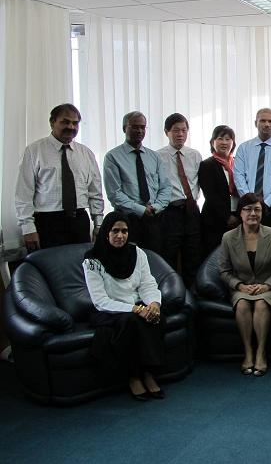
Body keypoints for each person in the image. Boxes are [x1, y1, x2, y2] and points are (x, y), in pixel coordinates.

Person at [82, 211, 166, 401]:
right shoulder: (92, 260)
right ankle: (134, 376)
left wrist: (153, 304)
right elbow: (100, 300)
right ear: (106, 232)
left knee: (156, 318)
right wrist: (136, 309)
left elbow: (147, 284)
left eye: (124, 231)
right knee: (131, 322)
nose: (120, 236)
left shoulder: (138, 253)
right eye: (115, 231)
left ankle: (148, 373)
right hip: (109, 310)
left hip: (137, 305)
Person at [15, 103, 104, 252]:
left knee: (80, 263)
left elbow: (95, 192)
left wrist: (99, 223)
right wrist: (28, 228)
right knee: (50, 264)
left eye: (75, 123)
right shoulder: (34, 151)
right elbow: (23, 193)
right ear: (52, 122)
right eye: (65, 122)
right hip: (48, 222)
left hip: (79, 220)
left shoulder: (86, 153)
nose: (71, 127)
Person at [218, 192, 271, 376]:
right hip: (242, 288)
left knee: (261, 303)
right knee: (242, 304)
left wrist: (268, 285)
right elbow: (224, 271)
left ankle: (261, 352)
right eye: (248, 209)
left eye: (257, 209)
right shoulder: (228, 238)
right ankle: (248, 351)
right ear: (240, 213)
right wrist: (239, 285)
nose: (253, 214)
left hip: (268, 287)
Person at [104, 111, 170, 253]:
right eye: (135, 127)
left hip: (154, 218)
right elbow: (114, 193)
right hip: (129, 219)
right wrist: (141, 210)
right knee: (130, 259)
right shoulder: (113, 157)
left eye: (142, 127)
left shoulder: (154, 157)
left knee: (155, 258)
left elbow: (165, 187)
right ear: (124, 128)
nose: (139, 131)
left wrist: (156, 207)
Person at [156, 113, 202, 288]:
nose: (180, 134)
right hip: (170, 212)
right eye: (176, 130)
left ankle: (192, 293)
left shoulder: (195, 155)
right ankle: (172, 292)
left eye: (184, 130)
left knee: (193, 255)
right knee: (169, 256)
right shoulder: (157, 156)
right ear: (166, 132)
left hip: (192, 211)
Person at [233, 108, 271, 227]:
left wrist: (266, 203)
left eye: (270, 121)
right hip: (248, 208)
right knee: (249, 238)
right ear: (256, 123)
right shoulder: (244, 148)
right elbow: (238, 176)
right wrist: (251, 202)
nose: (267, 124)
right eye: (263, 121)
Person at [198, 125, 240, 258]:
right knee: (216, 256)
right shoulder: (207, 165)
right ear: (213, 142)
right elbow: (211, 195)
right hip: (215, 218)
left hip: (238, 216)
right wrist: (227, 216)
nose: (224, 142)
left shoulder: (238, 163)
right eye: (220, 138)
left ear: (233, 143)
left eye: (228, 139)